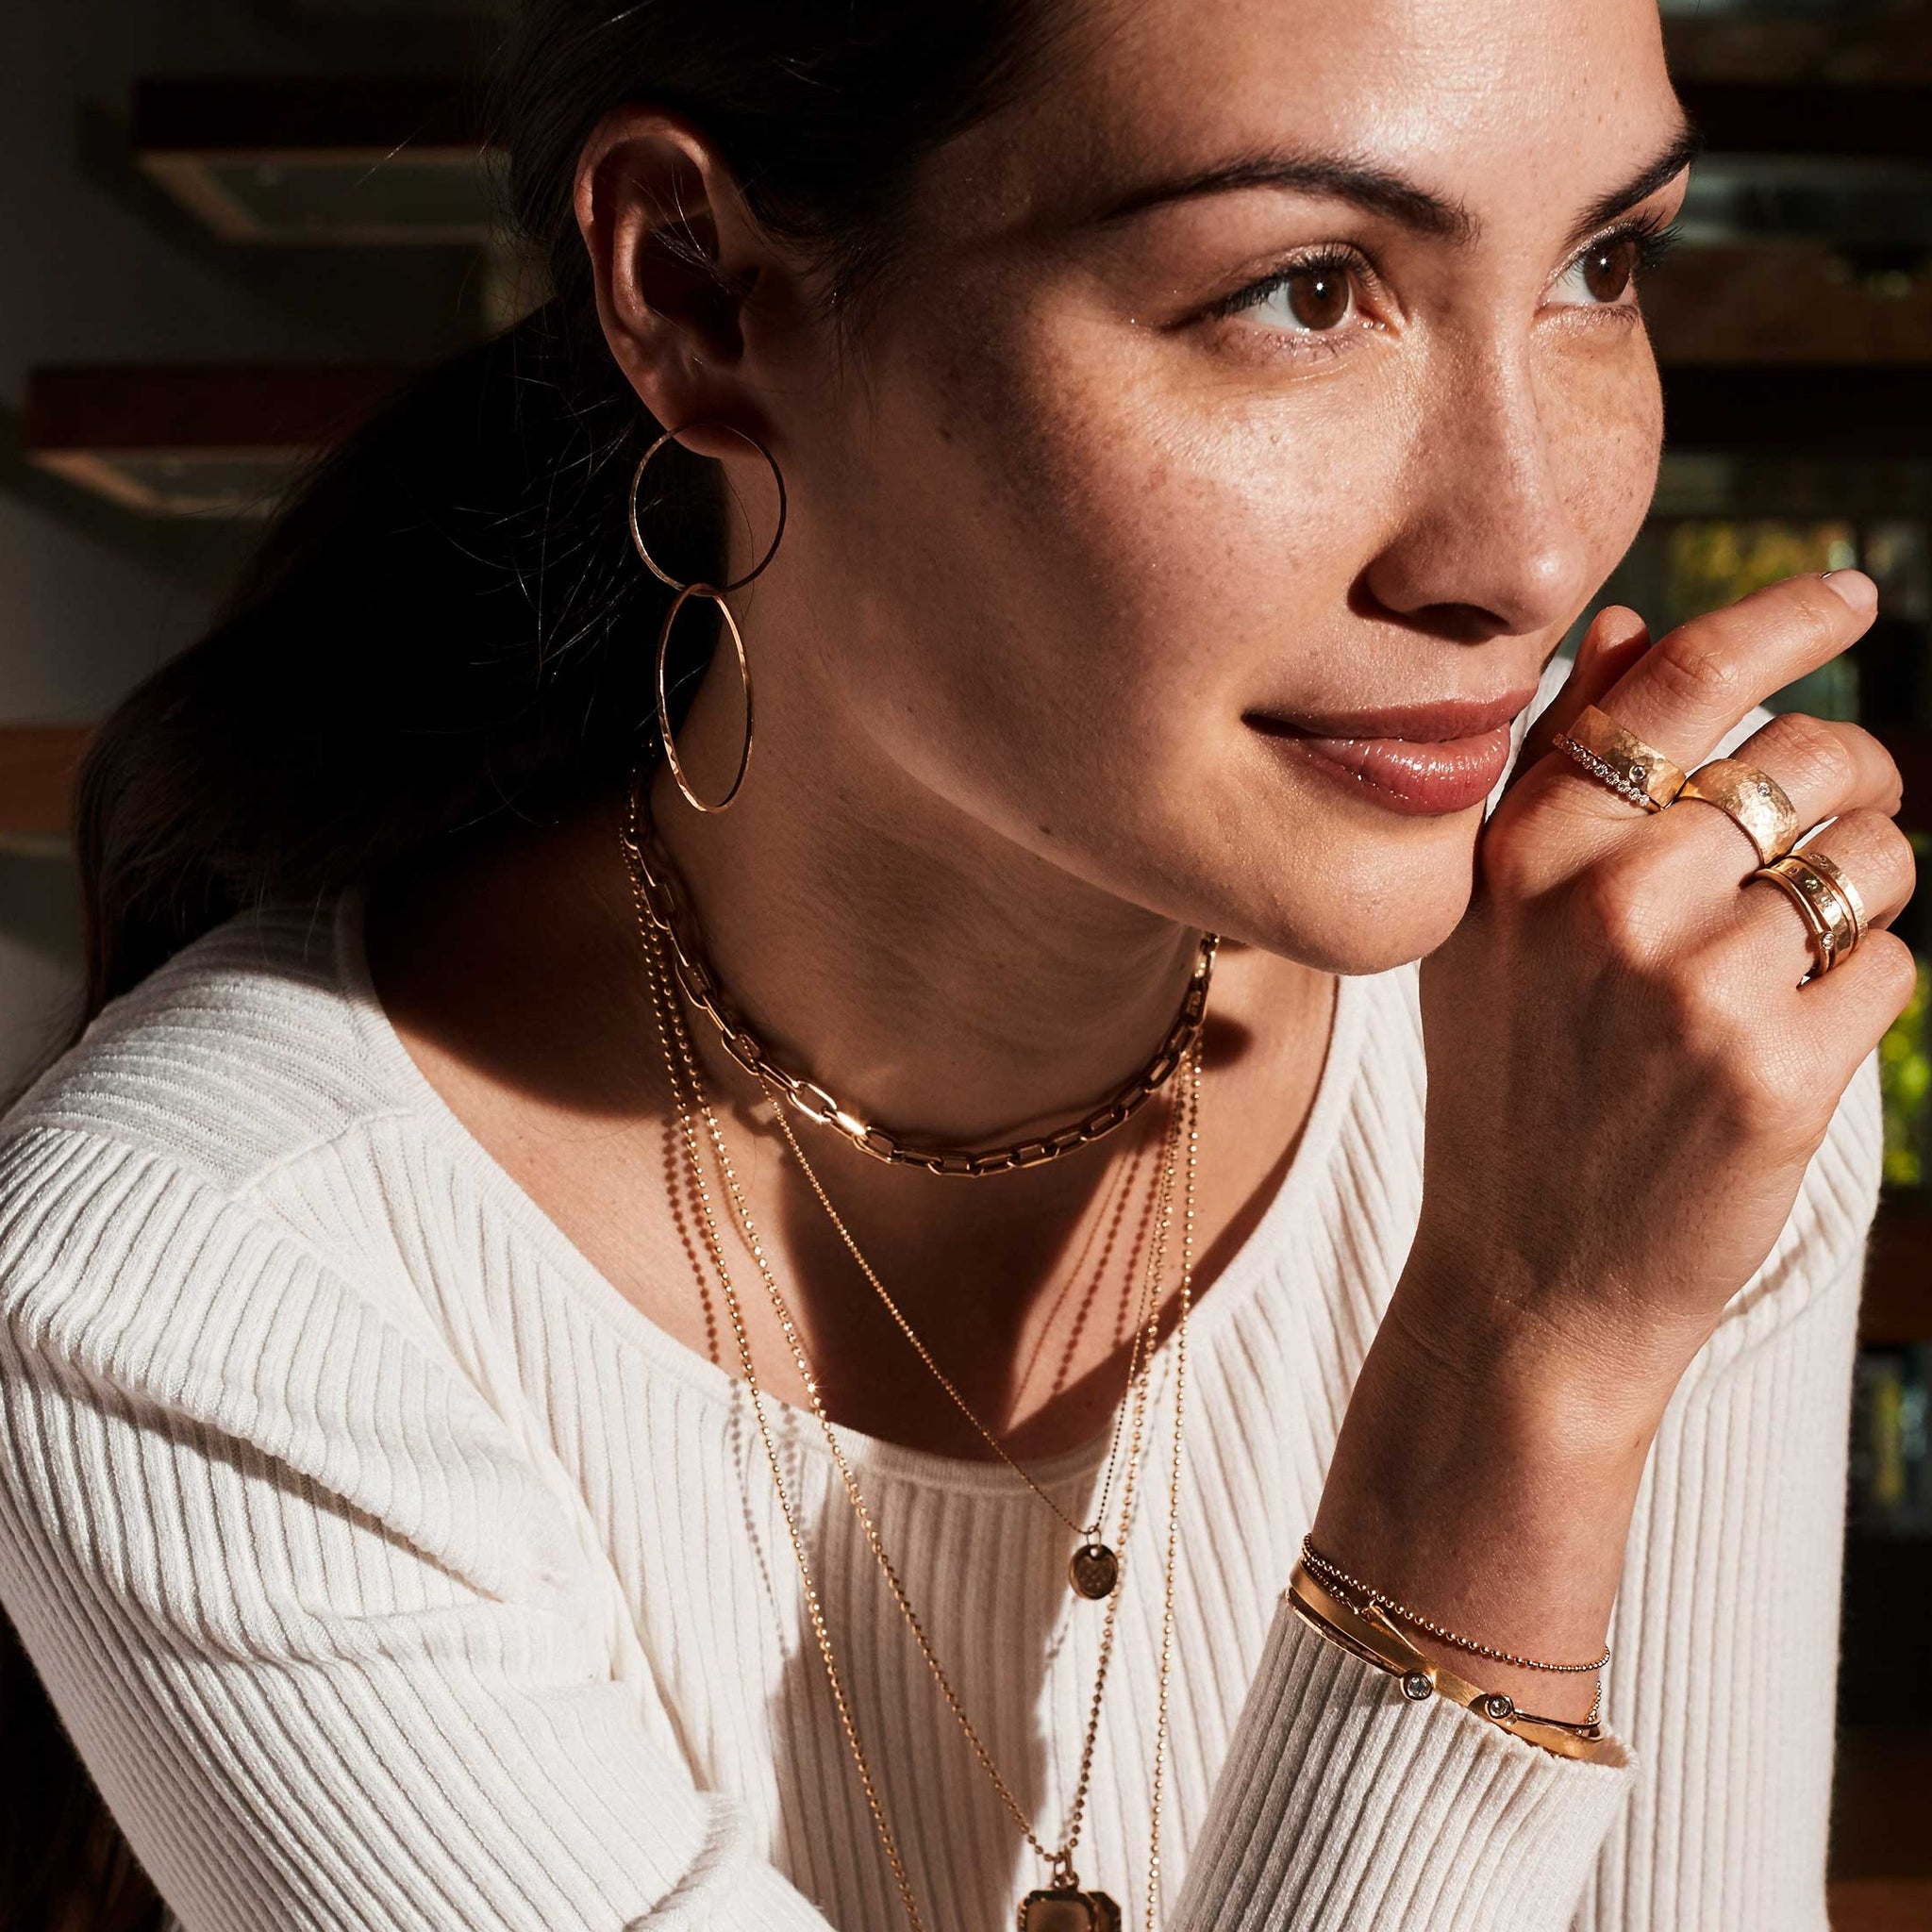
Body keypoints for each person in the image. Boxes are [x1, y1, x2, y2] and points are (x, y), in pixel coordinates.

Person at [0, 1, 1916, 1928]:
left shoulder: (1649, 1034)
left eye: (1604, 263)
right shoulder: (201, 1284)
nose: (1527, 549)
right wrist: (1520, 1370)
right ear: (698, 291)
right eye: (1303, 291)